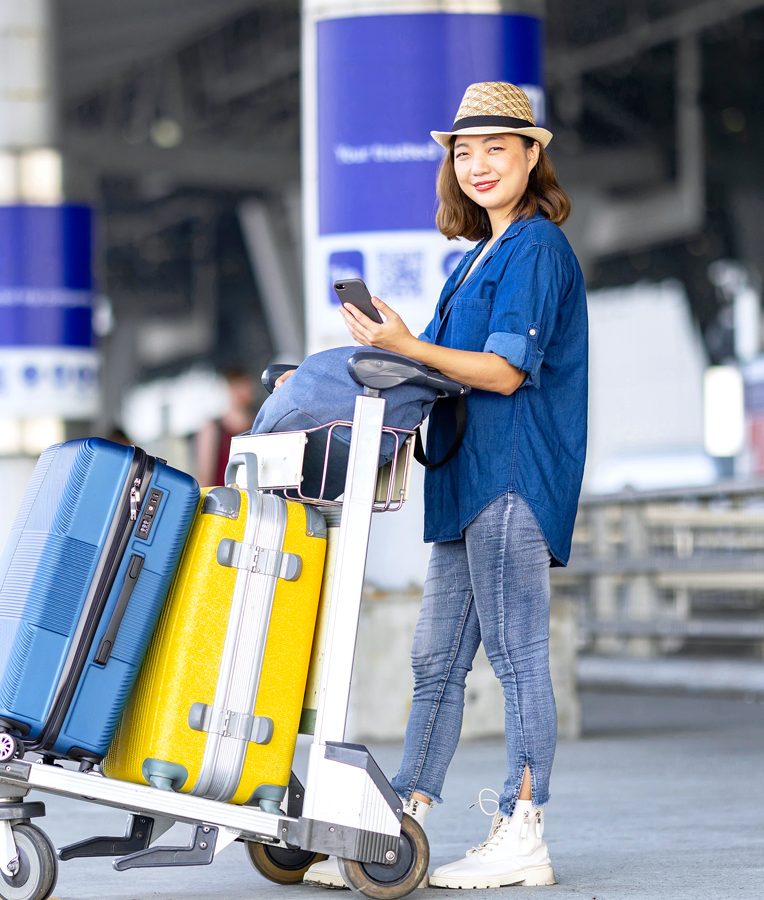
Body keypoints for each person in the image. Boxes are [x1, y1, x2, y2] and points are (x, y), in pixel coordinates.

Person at [294, 82, 588, 890]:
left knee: (519, 656)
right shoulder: (477, 259)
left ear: (533, 155)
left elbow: (501, 371)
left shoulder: (534, 247)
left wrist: (410, 346)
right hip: (466, 483)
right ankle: (402, 828)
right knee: (433, 663)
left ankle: (523, 828)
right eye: (464, 151)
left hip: (513, 477)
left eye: (499, 147)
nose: (480, 164)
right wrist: (404, 344)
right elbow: (450, 366)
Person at [194, 366, 257, 487]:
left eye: (245, 385)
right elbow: (204, 476)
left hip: (252, 500)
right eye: (237, 386)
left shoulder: (256, 426)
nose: (243, 391)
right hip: (222, 501)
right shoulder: (213, 429)